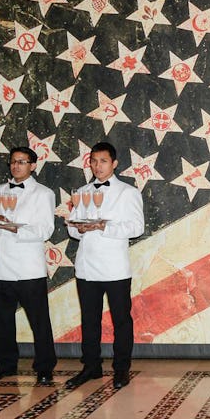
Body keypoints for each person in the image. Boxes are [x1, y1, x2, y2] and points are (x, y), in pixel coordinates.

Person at [65, 141, 144, 389]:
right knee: (89, 320)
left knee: (121, 320)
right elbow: (73, 228)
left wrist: (103, 226)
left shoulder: (128, 192)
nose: (98, 166)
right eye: (94, 161)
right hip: (87, 266)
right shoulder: (82, 191)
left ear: (114, 163)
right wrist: (78, 227)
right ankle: (91, 367)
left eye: (103, 161)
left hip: (115, 267)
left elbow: (137, 228)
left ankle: (121, 368)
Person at [0, 146, 57, 386]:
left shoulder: (43, 193)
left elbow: (45, 230)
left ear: (32, 166)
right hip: (0, 266)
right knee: (0, 321)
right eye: (13, 162)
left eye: (22, 162)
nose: (16, 166)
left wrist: (15, 227)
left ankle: (44, 367)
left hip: (28, 268)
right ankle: (4, 364)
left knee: (39, 321)